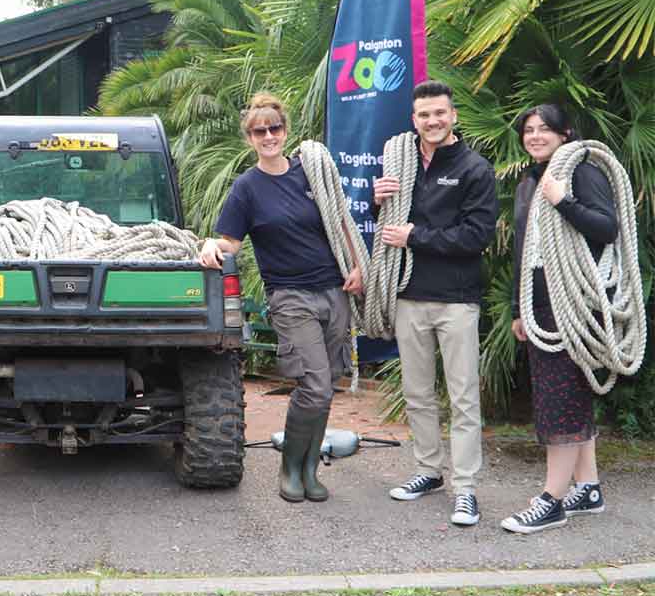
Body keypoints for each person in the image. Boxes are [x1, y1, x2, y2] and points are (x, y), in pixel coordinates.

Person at [199, 93, 363, 503]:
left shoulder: (311, 173)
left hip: (334, 289)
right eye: (260, 131)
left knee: (329, 382)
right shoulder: (246, 189)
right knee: (314, 386)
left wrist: (357, 264)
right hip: (290, 296)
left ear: (285, 131)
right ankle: (290, 467)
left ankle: (310, 469)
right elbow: (230, 242)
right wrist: (209, 246)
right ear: (250, 138)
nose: (269, 136)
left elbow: (340, 220)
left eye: (275, 128)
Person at [373, 80, 498, 527]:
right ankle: (428, 469)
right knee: (418, 394)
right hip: (409, 296)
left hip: (456, 300)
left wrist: (416, 237)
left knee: (463, 398)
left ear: (453, 116)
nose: (432, 121)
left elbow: (476, 236)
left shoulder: (473, 169)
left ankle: (465, 488)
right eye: (424, 115)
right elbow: (387, 227)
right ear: (414, 119)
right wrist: (378, 202)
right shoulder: (402, 162)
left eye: (439, 113)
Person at [501, 104, 616, 534]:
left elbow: (607, 228)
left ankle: (552, 500)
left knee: (560, 402)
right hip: (541, 303)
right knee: (566, 398)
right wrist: (518, 309)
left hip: (575, 304)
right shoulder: (528, 181)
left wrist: (562, 201)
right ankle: (587, 487)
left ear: (565, 133)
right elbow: (523, 250)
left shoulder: (582, 172)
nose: (534, 136)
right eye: (528, 130)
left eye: (544, 129)